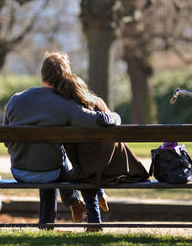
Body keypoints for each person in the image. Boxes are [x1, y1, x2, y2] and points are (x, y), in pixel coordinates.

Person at [3, 52, 121, 228]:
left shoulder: (15, 99)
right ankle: (65, 210)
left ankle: (51, 220)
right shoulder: (65, 105)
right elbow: (97, 121)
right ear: (65, 76)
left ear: (42, 74)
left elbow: (6, 139)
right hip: (50, 172)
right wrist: (116, 117)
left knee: (49, 157)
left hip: (18, 171)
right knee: (56, 159)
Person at [53, 71, 150, 211]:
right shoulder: (98, 102)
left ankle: (88, 217)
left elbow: (73, 155)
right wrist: (115, 117)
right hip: (114, 169)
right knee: (89, 167)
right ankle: (100, 195)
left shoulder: (71, 114)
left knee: (76, 172)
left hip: (90, 172)